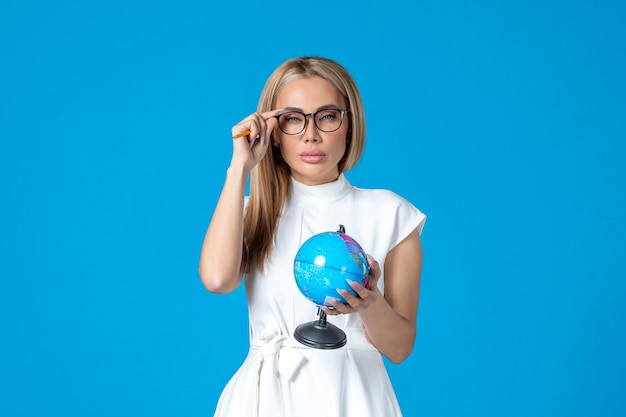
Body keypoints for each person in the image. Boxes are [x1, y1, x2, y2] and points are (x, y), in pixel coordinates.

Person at [199, 56, 426, 417]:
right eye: (292, 118)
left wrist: (370, 304)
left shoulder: (391, 214)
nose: (310, 133)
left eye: (327, 116)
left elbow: (399, 349)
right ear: (272, 131)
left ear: (349, 124)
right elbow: (217, 279)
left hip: (354, 400)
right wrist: (239, 167)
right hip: (263, 400)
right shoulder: (249, 211)